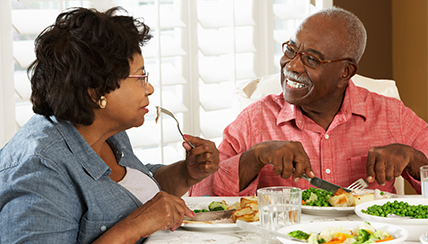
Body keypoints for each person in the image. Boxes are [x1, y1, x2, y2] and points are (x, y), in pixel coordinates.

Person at [0, 7, 219, 243]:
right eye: (140, 77)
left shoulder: (105, 131)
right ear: (96, 91)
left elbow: (130, 191)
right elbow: (138, 215)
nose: (150, 88)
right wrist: (136, 226)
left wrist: (186, 173)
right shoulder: (40, 172)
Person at [189, 7, 428, 197]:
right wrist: (255, 156)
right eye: (291, 50)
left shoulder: (391, 115)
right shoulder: (254, 120)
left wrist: (414, 159)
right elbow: (200, 195)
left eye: (312, 59)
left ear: (345, 72)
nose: (292, 66)